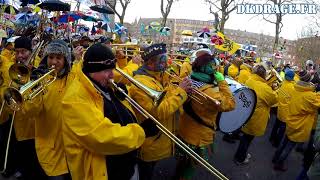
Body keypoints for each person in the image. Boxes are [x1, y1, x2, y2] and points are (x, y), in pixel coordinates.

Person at [61, 43, 147, 180]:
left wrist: (124, 97)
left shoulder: (101, 84)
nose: (112, 75)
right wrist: (140, 132)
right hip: (101, 172)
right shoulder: (74, 98)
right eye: (107, 70)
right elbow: (101, 137)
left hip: (124, 166)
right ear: (92, 70)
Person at [129, 43, 192, 180]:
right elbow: (159, 112)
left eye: (165, 58)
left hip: (161, 139)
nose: (166, 62)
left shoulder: (161, 75)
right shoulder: (141, 84)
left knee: (151, 169)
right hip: (150, 143)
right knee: (146, 173)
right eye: (162, 59)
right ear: (150, 63)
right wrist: (181, 92)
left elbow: (170, 100)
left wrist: (183, 94)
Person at [174, 49, 235, 179]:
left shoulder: (188, 79)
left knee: (182, 162)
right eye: (214, 67)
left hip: (184, 129)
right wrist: (222, 82)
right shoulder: (211, 93)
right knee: (190, 166)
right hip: (198, 137)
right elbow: (230, 104)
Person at [273, 70, 320, 171]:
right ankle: (279, 164)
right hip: (299, 125)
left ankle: (275, 158)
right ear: (309, 82)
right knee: (289, 147)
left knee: (284, 142)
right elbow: (317, 102)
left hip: (290, 120)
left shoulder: (295, 88)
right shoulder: (309, 95)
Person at [233, 63, 278, 165]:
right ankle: (240, 158)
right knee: (247, 139)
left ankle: (241, 154)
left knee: (245, 137)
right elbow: (273, 100)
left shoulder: (250, 80)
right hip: (255, 117)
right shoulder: (263, 87)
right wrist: (274, 89)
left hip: (247, 113)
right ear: (263, 74)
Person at [269, 69, 295, 148]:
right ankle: (276, 143)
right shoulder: (293, 88)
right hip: (286, 112)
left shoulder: (283, 83)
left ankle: (271, 138)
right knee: (282, 130)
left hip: (279, 109)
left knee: (276, 125)